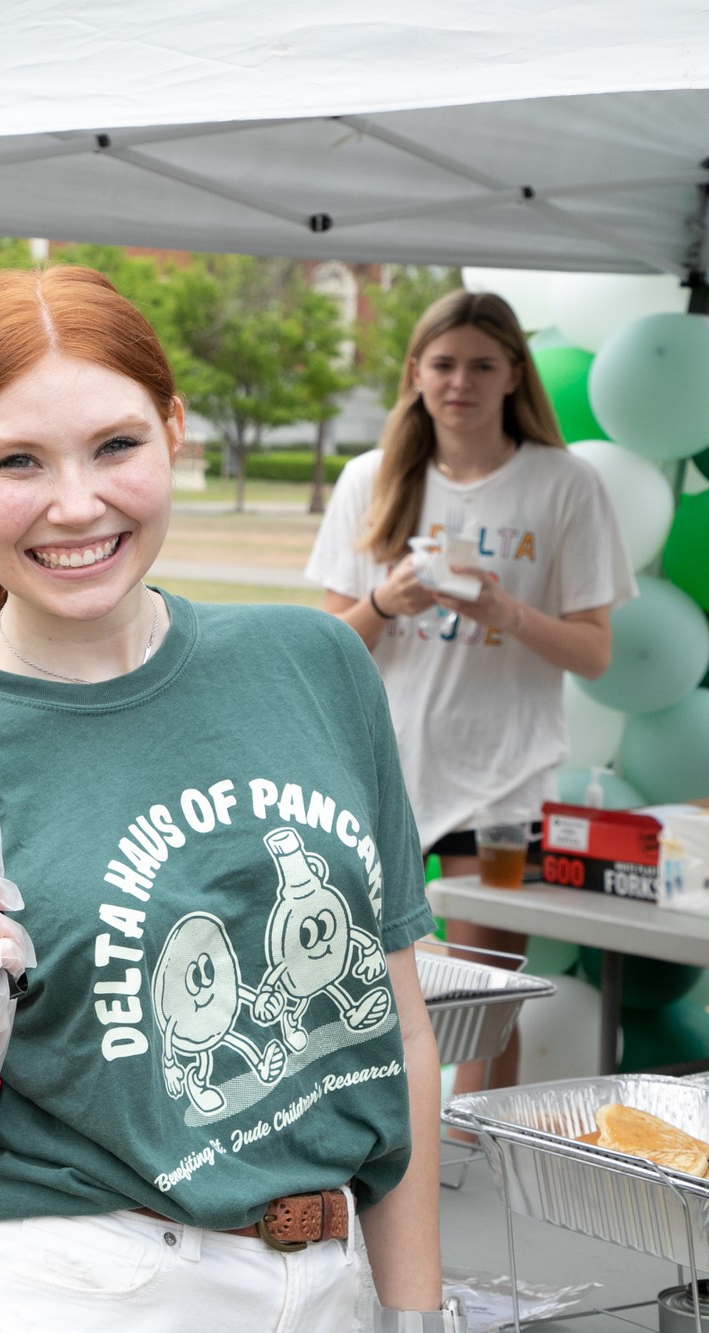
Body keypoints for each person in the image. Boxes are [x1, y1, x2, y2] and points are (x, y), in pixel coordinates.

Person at [0, 267, 452, 1332]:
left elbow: (396, 1027)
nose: (75, 503)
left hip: (326, 1283)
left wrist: (416, 1311)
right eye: (16, 461)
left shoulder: (313, 661)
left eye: (114, 445)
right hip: (63, 1290)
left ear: (173, 428)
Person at [306, 289, 631, 1097]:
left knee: (483, 1003)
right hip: (377, 776)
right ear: (415, 372)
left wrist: (505, 611)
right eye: (444, 364)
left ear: (515, 374)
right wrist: (388, 601)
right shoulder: (370, 479)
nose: (462, 382)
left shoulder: (566, 484)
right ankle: (374, 1153)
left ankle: (469, 1169)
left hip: (500, 783)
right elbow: (328, 648)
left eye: (483, 364)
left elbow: (594, 651)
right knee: (357, 989)